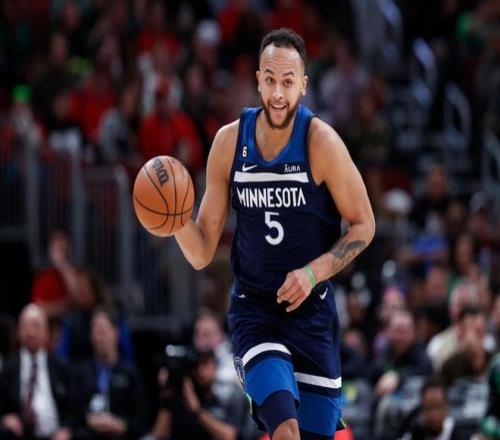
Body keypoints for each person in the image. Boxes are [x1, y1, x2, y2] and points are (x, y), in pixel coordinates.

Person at [173, 28, 375, 439]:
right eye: (270, 80)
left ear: (303, 85)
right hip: (255, 312)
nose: (278, 93)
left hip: (312, 315)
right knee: (284, 429)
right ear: (258, 80)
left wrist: (313, 273)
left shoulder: (321, 143)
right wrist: (174, 221)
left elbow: (364, 224)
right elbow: (201, 252)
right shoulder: (229, 142)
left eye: (287, 81)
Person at [69, 308, 147, 440]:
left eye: (103, 331)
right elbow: (71, 414)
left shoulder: (130, 373)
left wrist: (121, 424)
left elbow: (142, 421)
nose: (98, 337)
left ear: (116, 333)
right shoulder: (80, 373)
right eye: (95, 332)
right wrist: (88, 419)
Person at [0, 304, 71, 440]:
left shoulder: (61, 367)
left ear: (46, 332)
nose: (31, 332)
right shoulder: (7, 369)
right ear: (18, 331)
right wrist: (4, 418)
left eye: (36, 326)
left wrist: (66, 429)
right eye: (26, 326)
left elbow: (73, 408)